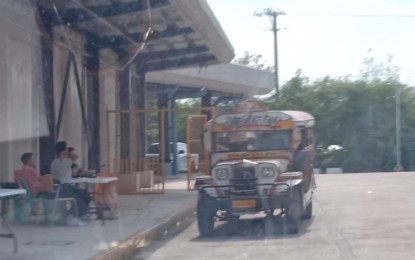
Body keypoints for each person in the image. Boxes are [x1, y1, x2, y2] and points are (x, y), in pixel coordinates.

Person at [50, 141, 90, 226]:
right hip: (65, 187)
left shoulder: (54, 162)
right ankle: (76, 217)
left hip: (57, 188)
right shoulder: (66, 161)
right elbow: (76, 156)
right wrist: (68, 151)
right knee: (80, 196)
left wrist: (64, 151)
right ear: (64, 150)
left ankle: (76, 214)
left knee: (82, 193)